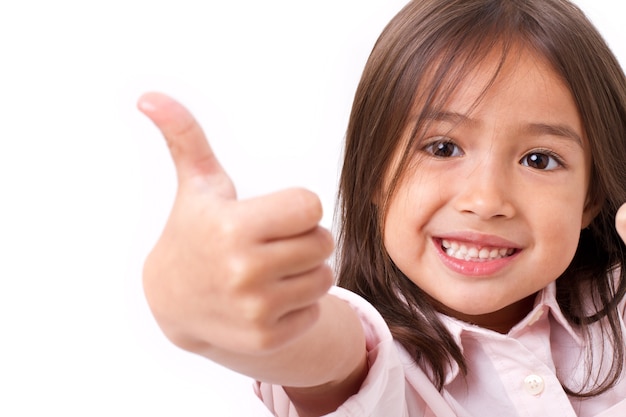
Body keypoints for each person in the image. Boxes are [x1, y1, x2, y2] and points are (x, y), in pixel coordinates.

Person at [137, 0, 626, 415]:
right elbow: (322, 347)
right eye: (442, 148)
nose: (485, 201)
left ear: (591, 197)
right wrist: (195, 302)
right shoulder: (367, 348)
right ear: (373, 171)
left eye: (538, 160)